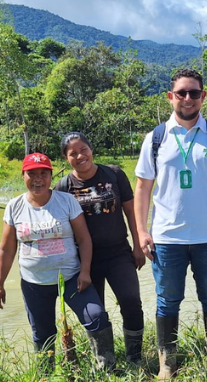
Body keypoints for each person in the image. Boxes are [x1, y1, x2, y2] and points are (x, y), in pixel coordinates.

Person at [134, 68, 207, 380]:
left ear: (203, 97)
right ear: (170, 97)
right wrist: (141, 230)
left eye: (194, 93)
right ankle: (168, 362)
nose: (188, 98)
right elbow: (142, 188)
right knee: (167, 301)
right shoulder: (155, 139)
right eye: (182, 93)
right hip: (167, 239)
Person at [0, 153, 115, 370]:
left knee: (96, 316)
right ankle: (46, 376)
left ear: (51, 176)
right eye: (32, 174)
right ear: (23, 176)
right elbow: (7, 248)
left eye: (44, 173)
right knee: (42, 332)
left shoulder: (66, 201)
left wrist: (85, 271)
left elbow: (84, 239)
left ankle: (107, 368)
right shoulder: (14, 206)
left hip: (71, 277)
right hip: (34, 283)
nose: (38, 179)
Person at [55, 132, 147, 365]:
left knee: (131, 302)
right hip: (84, 261)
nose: (79, 156)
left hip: (118, 253)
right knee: (96, 313)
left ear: (91, 149)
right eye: (72, 153)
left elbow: (131, 212)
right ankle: (105, 362)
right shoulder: (63, 187)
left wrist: (138, 245)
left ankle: (134, 358)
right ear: (66, 158)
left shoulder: (114, 174)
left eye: (83, 149)